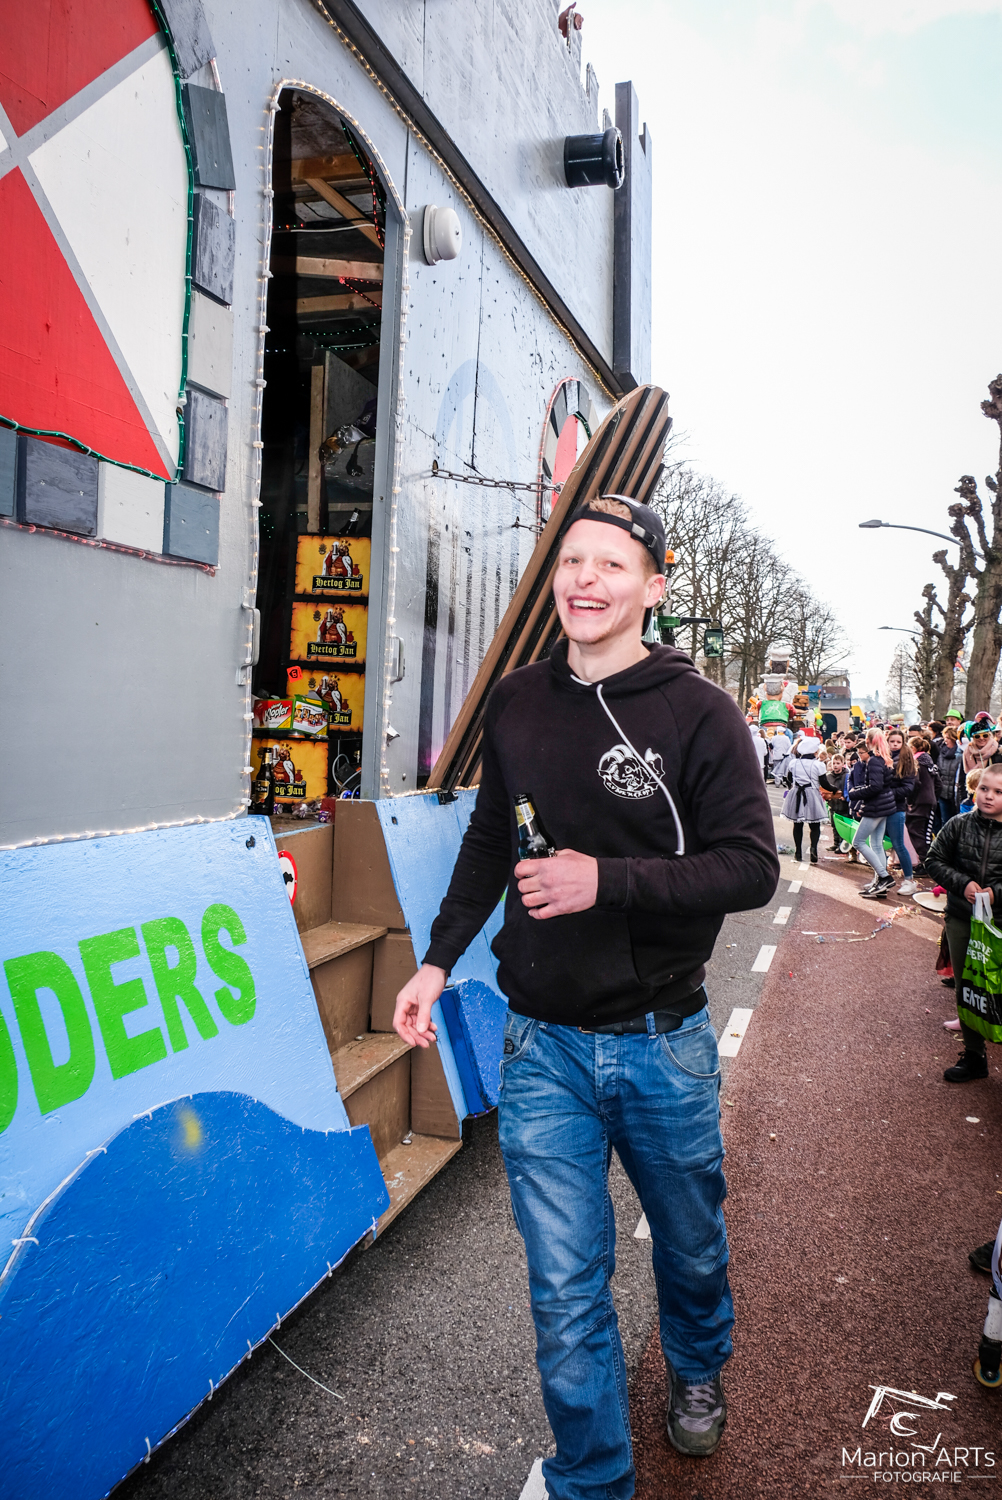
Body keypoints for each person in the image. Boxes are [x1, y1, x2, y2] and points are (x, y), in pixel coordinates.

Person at [393, 495, 780, 1498]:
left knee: (690, 1248)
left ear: (653, 587)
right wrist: (436, 961)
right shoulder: (518, 700)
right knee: (564, 1287)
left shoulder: (700, 712)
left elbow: (751, 868)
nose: (586, 580)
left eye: (611, 564)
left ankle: (697, 1365)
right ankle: (593, 1481)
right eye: (572, 561)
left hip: (664, 1042)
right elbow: (491, 836)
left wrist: (601, 880)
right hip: (542, 1047)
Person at [926, 762, 1002, 1083]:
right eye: (984, 788)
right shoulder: (958, 824)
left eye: (998, 792)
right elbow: (934, 860)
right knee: (967, 988)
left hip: (999, 924)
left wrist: (996, 893)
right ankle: (974, 1056)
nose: (988, 796)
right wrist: (963, 884)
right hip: (961, 918)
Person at [847, 730, 896, 898]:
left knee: (858, 842)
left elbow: (875, 787)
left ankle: (884, 877)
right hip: (885, 805)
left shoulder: (874, 760)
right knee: (876, 844)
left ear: (869, 741)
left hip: (876, 806)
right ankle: (880, 883)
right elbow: (881, 785)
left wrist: (855, 793)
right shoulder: (884, 759)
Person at [781, 734, 827, 863]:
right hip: (812, 793)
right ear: (815, 751)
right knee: (815, 824)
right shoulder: (818, 765)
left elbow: (789, 778)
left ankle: (798, 852)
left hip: (797, 793)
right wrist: (834, 790)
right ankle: (813, 848)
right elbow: (824, 783)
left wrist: (794, 785)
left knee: (797, 824)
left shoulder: (794, 763)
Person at [885, 729, 917, 896]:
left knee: (898, 844)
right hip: (881, 806)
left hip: (896, 807)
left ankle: (909, 880)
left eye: (898, 742)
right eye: (892, 741)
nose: (895, 744)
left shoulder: (906, 760)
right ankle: (880, 878)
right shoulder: (883, 757)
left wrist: (887, 793)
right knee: (877, 843)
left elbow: (908, 788)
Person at [907, 733, 939, 873]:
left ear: (913, 748)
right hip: (928, 801)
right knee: (922, 831)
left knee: (918, 832)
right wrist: (932, 796)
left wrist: (910, 800)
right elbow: (939, 784)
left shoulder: (916, 762)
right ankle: (923, 861)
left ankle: (925, 863)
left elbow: (915, 783)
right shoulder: (930, 763)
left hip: (919, 802)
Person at [819, 751, 849, 852]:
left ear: (842, 764)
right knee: (834, 825)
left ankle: (842, 845)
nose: (835, 765)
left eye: (838, 763)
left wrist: (845, 796)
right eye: (833, 763)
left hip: (844, 805)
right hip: (832, 804)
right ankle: (836, 844)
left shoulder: (846, 775)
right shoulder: (828, 776)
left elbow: (847, 788)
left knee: (843, 827)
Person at [938, 727, 963, 827]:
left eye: (948, 738)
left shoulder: (961, 752)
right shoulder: (942, 751)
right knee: (945, 822)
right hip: (943, 792)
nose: (945, 740)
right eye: (945, 738)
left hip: (956, 792)